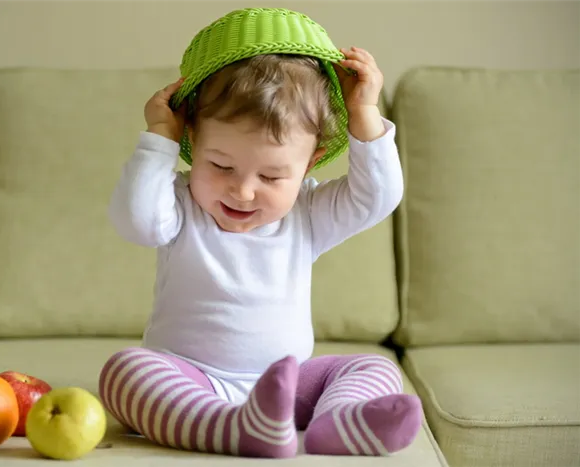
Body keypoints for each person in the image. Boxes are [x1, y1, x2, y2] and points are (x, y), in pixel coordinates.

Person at [99, 45, 422, 458]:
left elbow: (377, 196)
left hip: (287, 385)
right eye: (220, 166)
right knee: (127, 371)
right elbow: (137, 220)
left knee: (375, 368)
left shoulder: (307, 214)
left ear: (309, 165)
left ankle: (338, 422)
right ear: (193, 141)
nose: (244, 190)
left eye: (271, 175)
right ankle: (228, 427)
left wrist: (365, 115)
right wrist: (159, 138)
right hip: (191, 380)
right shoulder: (179, 204)